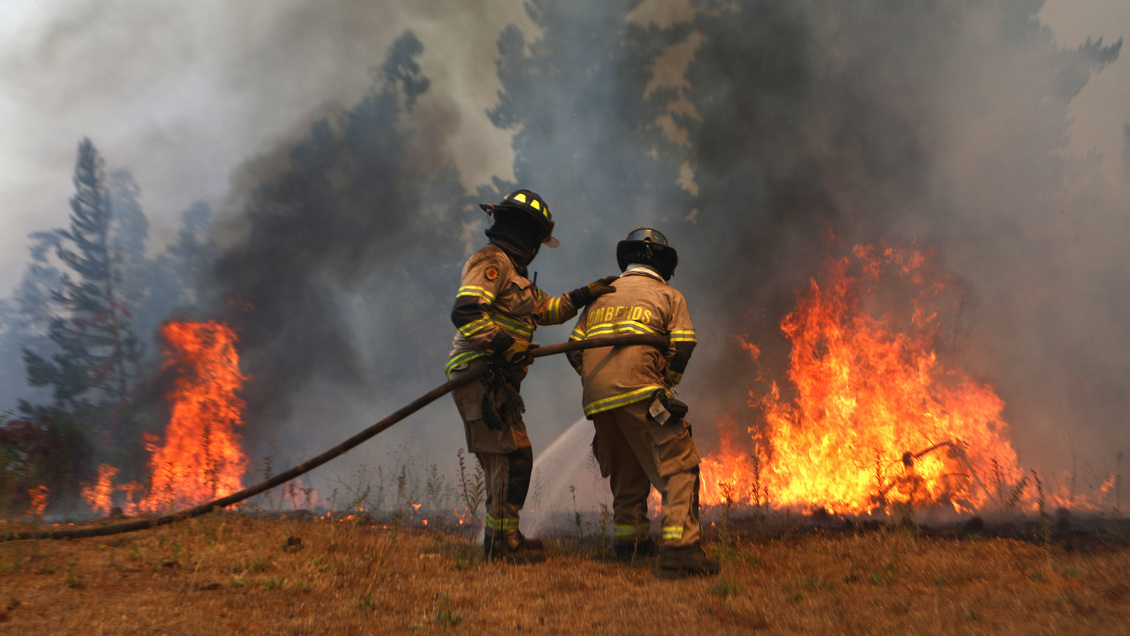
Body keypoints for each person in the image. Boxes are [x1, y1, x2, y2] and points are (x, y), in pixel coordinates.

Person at [446, 189, 617, 564]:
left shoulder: (515, 274)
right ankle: (501, 544)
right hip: (478, 374)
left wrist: (585, 294)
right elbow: (467, 312)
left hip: (497, 379)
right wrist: (504, 345)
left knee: (512, 458)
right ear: (526, 236)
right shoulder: (491, 262)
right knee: (509, 457)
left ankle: (504, 536)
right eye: (537, 240)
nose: (536, 249)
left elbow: (549, 309)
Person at [566, 227, 719, 577]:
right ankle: (680, 551)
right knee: (679, 466)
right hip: (644, 391)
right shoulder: (669, 295)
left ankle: (629, 544)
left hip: (598, 400)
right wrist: (668, 385)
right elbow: (683, 347)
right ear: (663, 265)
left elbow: (575, 351)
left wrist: (598, 381)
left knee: (627, 470)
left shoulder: (600, 297)